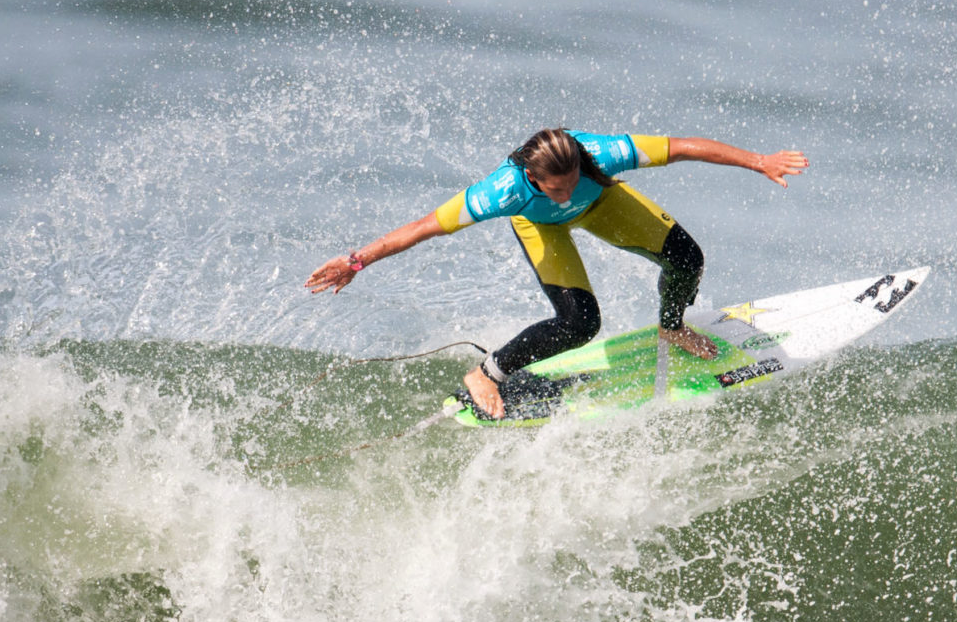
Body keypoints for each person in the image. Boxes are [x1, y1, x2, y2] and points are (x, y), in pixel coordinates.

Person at [305, 128, 806, 418]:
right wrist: (356, 261)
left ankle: (671, 325)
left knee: (687, 259)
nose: (565, 192)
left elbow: (683, 147)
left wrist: (759, 161)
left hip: (606, 206)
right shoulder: (500, 194)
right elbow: (421, 228)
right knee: (579, 322)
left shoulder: (602, 155)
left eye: (571, 184)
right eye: (556, 189)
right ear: (531, 177)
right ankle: (486, 374)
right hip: (540, 229)